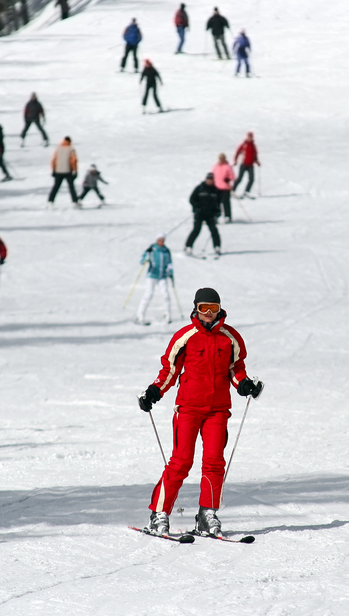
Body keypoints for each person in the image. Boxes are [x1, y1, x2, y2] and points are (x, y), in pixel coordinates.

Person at [137, 287, 264, 537]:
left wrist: (244, 384)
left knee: (214, 462)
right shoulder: (185, 336)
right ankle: (159, 514)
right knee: (181, 461)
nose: (208, 313)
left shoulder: (230, 337)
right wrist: (154, 391)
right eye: (203, 307)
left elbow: (235, 368)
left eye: (213, 308)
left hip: (217, 410)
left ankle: (207, 514)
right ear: (195, 308)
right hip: (188, 408)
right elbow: (170, 370)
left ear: (220, 309)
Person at [136, 233, 174, 325]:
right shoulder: (151, 249)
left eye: (163, 241)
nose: (161, 242)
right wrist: (146, 258)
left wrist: (170, 272)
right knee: (148, 294)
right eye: (159, 240)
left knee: (165, 294)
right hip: (152, 275)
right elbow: (141, 260)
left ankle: (167, 315)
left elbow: (169, 263)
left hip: (162, 276)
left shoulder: (166, 250)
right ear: (157, 240)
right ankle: (140, 315)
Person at [185, 172, 222, 257]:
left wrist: (218, 212)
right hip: (200, 213)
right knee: (196, 230)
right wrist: (196, 207)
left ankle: (217, 247)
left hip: (210, 214)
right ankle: (188, 246)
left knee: (214, 230)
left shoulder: (216, 190)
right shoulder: (199, 188)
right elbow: (192, 199)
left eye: (211, 180)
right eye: (208, 179)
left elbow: (218, 203)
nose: (209, 181)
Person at [48, 136, 79, 207]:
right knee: (71, 187)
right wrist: (75, 170)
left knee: (56, 187)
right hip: (68, 171)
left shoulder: (58, 148)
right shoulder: (71, 148)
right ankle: (75, 201)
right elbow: (73, 160)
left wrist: (53, 170)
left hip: (58, 171)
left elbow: (54, 160)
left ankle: (50, 201)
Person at [233, 131, 259, 198]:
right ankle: (232, 191)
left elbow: (255, 155)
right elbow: (238, 152)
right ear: (247, 137)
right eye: (249, 137)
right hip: (244, 164)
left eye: (251, 137)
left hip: (251, 165)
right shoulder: (244, 145)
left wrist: (257, 161)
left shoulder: (253, 146)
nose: (249, 138)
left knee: (252, 179)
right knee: (239, 179)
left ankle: (247, 192)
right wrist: (235, 160)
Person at [212, 153, 235, 222]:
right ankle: (216, 216)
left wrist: (228, 179)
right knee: (216, 203)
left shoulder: (227, 166)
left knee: (226, 202)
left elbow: (232, 176)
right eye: (220, 158)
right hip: (216, 187)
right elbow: (212, 175)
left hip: (225, 187)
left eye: (223, 158)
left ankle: (227, 216)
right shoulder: (216, 166)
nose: (221, 160)